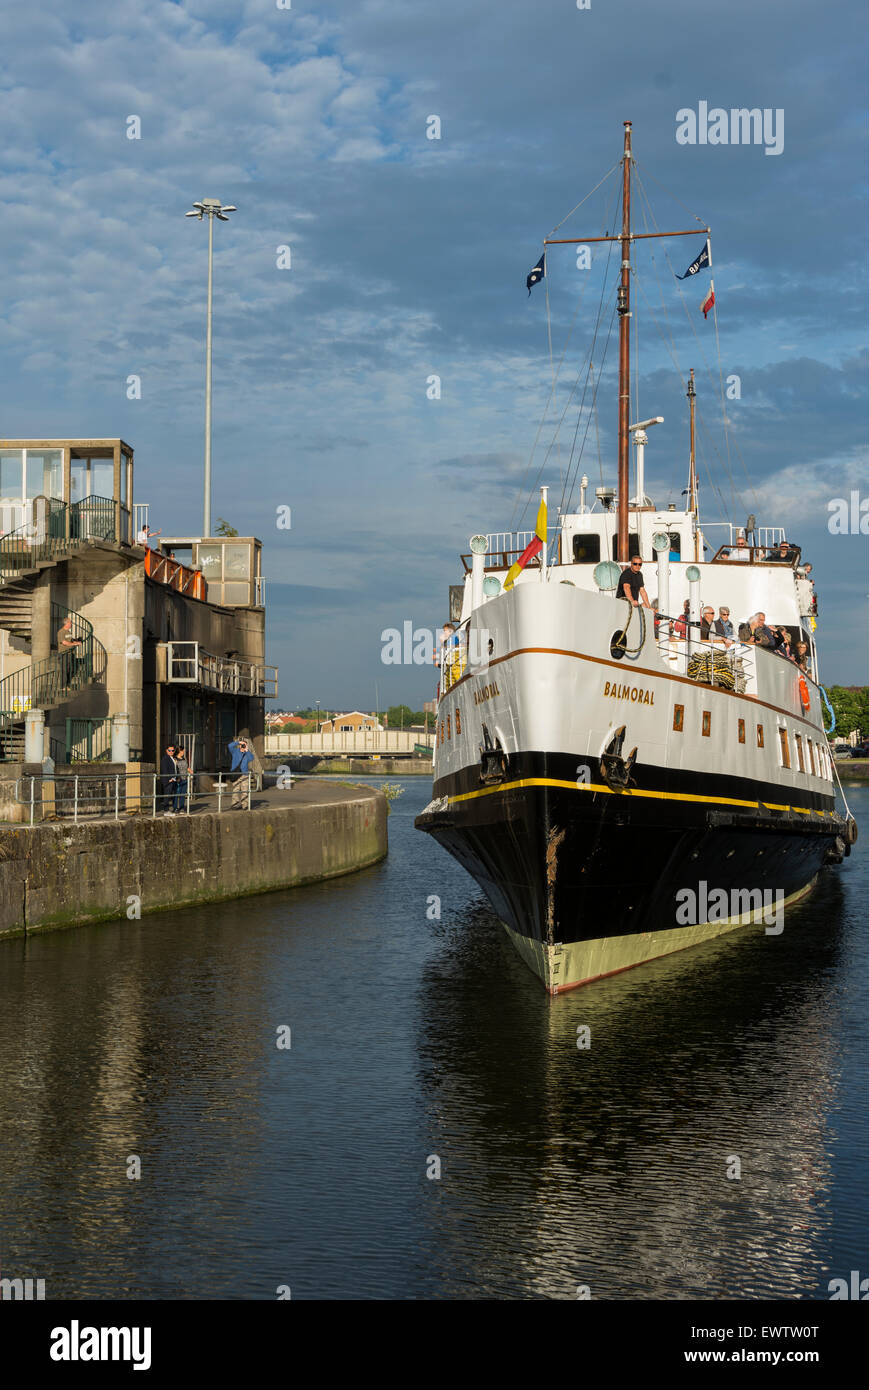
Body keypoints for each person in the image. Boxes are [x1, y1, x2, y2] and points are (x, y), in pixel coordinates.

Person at [57, 615, 84, 690]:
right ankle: (63, 686)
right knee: (64, 670)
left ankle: (67, 685)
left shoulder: (68, 632)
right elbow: (64, 642)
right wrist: (75, 644)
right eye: (70, 622)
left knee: (70, 669)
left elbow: (70, 640)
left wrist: (77, 640)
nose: (71, 624)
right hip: (63, 653)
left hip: (69, 653)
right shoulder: (61, 632)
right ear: (67, 623)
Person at [228, 735, 254, 809]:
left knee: (245, 790)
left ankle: (245, 805)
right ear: (239, 745)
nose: (242, 746)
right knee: (235, 790)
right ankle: (234, 804)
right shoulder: (235, 751)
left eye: (244, 744)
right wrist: (238, 742)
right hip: (236, 774)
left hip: (244, 774)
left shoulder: (247, 753)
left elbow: (251, 758)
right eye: (241, 745)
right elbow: (229, 746)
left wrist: (247, 750)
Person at [160, 743, 178, 816]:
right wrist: (168, 779)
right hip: (168, 779)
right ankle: (166, 810)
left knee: (172, 794)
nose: (171, 752)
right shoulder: (165, 758)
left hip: (173, 779)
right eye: (169, 750)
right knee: (167, 795)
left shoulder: (172, 758)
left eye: (172, 750)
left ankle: (173, 809)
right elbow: (164, 770)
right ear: (166, 750)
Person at [173, 745, 189, 814]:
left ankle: (182, 808)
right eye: (182, 751)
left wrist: (190, 771)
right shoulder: (175, 759)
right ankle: (175, 808)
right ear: (179, 751)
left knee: (183, 794)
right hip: (179, 779)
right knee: (177, 794)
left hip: (185, 778)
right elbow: (174, 769)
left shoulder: (184, 758)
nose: (183, 752)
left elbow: (186, 767)